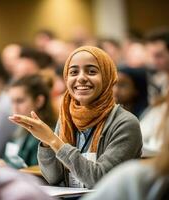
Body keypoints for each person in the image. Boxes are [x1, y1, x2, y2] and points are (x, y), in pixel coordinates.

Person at [9, 46, 142, 189]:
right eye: (73, 72)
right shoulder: (67, 118)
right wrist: (46, 143)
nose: (81, 78)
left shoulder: (125, 123)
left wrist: (53, 141)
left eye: (91, 71)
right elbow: (54, 177)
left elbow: (100, 179)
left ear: (107, 77)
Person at [82, 72, 169, 200]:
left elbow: (95, 175)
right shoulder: (135, 182)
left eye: (122, 85)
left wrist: (62, 148)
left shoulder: (127, 122)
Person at [2, 75, 57, 169]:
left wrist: (7, 168)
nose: (14, 108)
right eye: (12, 102)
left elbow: (38, 173)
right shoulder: (19, 130)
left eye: (19, 101)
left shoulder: (49, 133)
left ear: (39, 101)